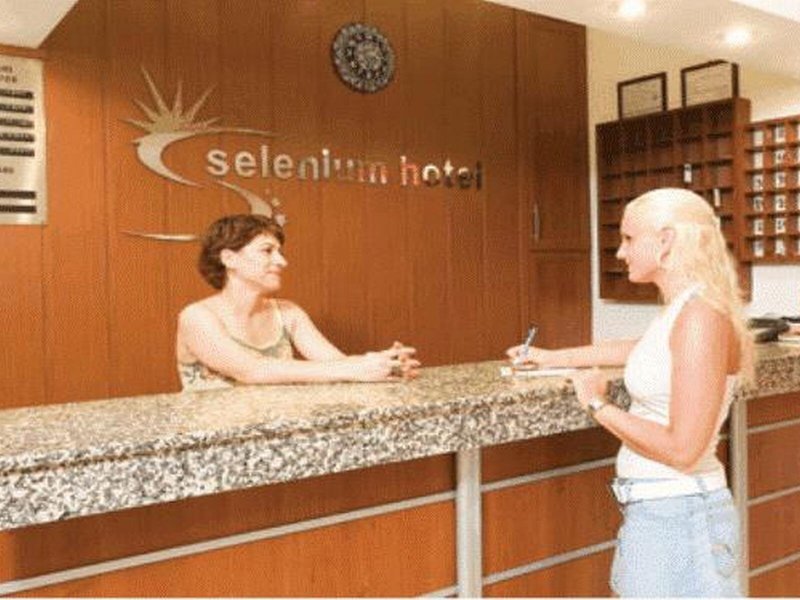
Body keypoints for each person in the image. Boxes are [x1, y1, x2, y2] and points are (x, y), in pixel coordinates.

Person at [507, 188, 753, 597]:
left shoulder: (700, 316)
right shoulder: (685, 310)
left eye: (629, 239)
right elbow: (644, 349)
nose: (621, 252)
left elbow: (682, 449)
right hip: (667, 514)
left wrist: (598, 405)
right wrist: (553, 358)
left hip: (679, 519)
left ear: (666, 241)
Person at [176, 214, 419, 391]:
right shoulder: (196, 317)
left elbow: (335, 364)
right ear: (229, 258)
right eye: (267, 251)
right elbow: (251, 370)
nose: (282, 262)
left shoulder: (288, 313)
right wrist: (356, 367)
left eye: (280, 252)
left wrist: (385, 364)